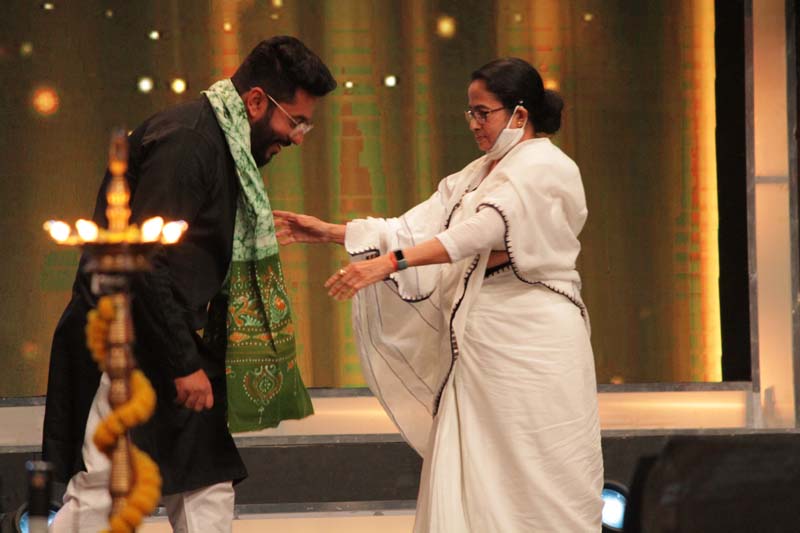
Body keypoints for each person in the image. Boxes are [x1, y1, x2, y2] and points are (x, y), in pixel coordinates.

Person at [274, 57, 603, 531]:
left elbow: (481, 230)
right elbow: (413, 228)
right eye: (471, 113)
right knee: (475, 468)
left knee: (539, 470)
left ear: (520, 114)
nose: (474, 124)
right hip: (480, 341)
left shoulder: (546, 165)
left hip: (535, 335)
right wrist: (328, 231)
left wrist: (389, 263)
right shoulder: (477, 174)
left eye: (483, 113)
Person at [43, 36, 337, 532]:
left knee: (206, 484)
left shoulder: (217, 140)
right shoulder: (189, 143)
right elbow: (145, 262)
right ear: (257, 101)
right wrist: (183, 363)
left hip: (160, 335)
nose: (297, 137)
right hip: (127, 340)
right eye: (296, 121)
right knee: (107, 489)